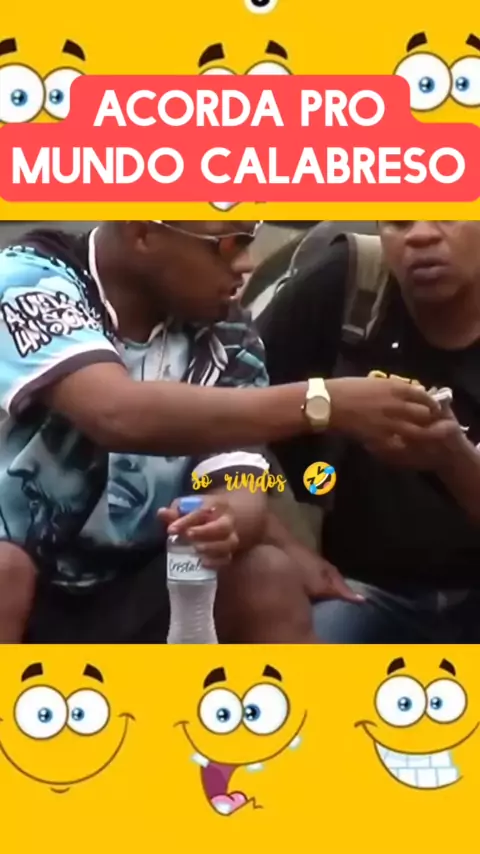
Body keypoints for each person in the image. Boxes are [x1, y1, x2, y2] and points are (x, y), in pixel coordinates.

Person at [0, 219, 439, 643]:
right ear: (142, 233)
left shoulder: (227, 333)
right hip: (25, 581)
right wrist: (323, 402)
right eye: (228, 244)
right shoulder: (31, 279)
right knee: (6, 569)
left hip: (132, 586)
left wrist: (223, 517)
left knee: (265, 575)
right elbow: (115, 414)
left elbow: (242, 485)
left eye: (251, 239)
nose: (247, 264)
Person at [258, 220, 480, 643]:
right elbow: (224, 426)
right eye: (399, 221)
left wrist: (453, 458)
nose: (420, 234)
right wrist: (287, 547)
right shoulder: (346, 283)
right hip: (355, 589)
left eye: (447, 213)